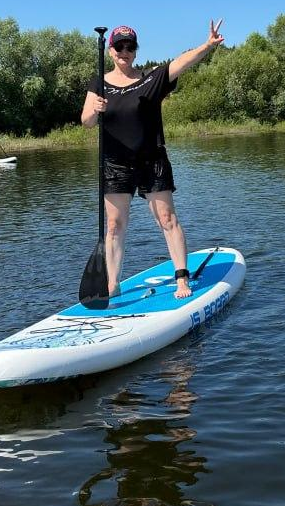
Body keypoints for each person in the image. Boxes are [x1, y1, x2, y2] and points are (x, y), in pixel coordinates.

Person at [80, 21, 224, 299]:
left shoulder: (152, 80)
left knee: (166, 219)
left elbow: (180, 63)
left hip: (151, 160)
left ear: (135, 50)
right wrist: (94, 110)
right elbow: (86, 121)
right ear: (110, 50)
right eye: (119, 46)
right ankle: (112, 284)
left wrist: (207, 46)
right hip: (115, 163)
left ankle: (182, 278)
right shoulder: (99, 82)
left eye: (129, 46)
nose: (124, 51)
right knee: (114, 226)